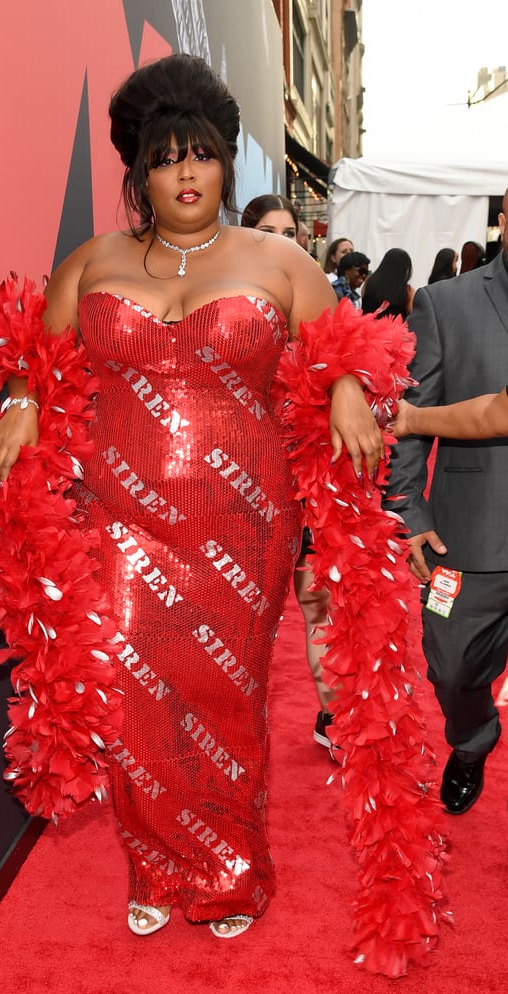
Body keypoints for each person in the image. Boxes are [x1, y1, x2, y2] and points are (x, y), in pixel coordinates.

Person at [0, 54, 385, 941]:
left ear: (225, 162)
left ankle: (232, 872)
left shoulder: (279, 259)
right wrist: (18, 402)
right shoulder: (92, 262)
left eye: (201, 154)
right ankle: (157, 864)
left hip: (245, 522)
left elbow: (346, 351)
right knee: (135, 699)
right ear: (141, 172)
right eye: (166, 159)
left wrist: (350, 386)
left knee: (226, 698)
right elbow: (39, 366)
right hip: (118, 519)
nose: (187, 173)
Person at [385, 187, 508, 815]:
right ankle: (472, 738)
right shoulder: (444, 303)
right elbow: (410, 420)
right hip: (465, 535)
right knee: (451, 668)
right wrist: (410, 512)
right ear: (504, 218)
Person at [241, 193, 335, 750]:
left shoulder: (317, 309)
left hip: (307, 480)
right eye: (268, 231)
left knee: (317, 602)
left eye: (290, 232)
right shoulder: (225, 312)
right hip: (236, 487)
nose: (282, 241)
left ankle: (336, 719)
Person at [361, 247, 414, 319]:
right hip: (396, 329)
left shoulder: (369, 282)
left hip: (367, 327)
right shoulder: (408, 291)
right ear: (405, 269)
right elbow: (414, 315)